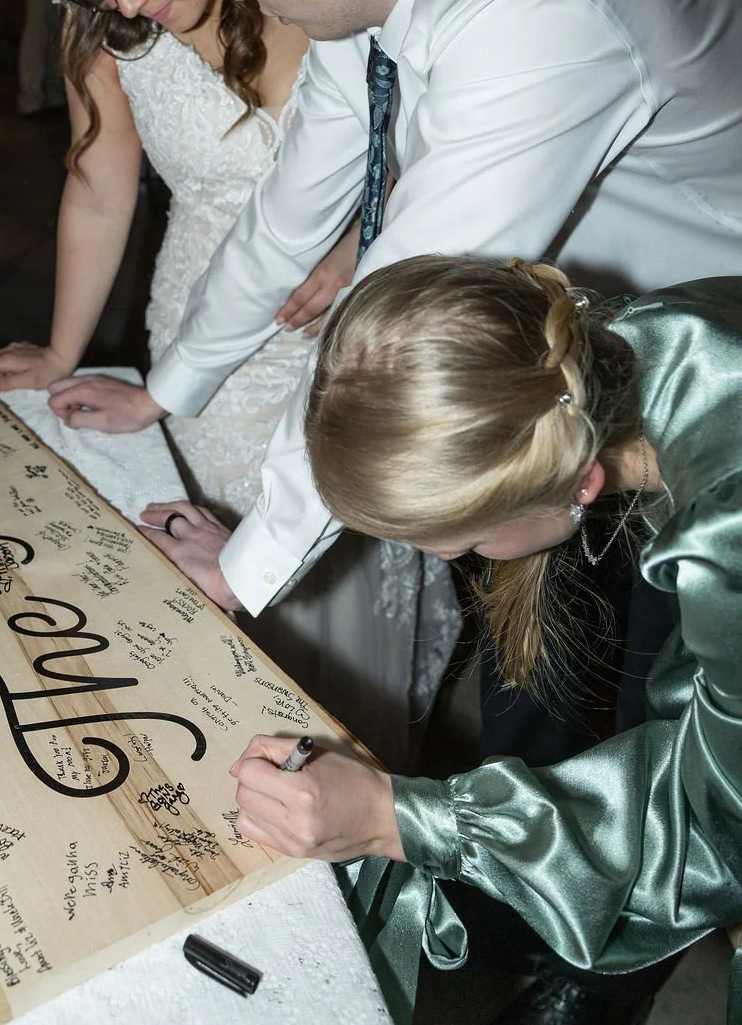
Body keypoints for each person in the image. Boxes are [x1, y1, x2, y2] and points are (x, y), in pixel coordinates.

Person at [47, 0, 742, 767]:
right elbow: (290, 216)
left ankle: (574, 903)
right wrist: (169, 387)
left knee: (664, 700)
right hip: (553, 345)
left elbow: (391, 319)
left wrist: (247, 569)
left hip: (698, 366)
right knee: (537, 670)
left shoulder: (535, 16)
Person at [0, 0, 451, 761]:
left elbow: (437, 152)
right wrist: (64, 350)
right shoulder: (111, 32)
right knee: (203, 603)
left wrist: (366, 232)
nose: (125, 1)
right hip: (204, 337)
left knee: (329, 606)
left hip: (352, 337)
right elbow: (100, 194)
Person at [228, 256, 742, 1025]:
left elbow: (715, 828)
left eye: (459, 544)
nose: (448, 563)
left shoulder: (729, 540)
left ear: (580, 486)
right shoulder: (628, 347)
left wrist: (394, 818)